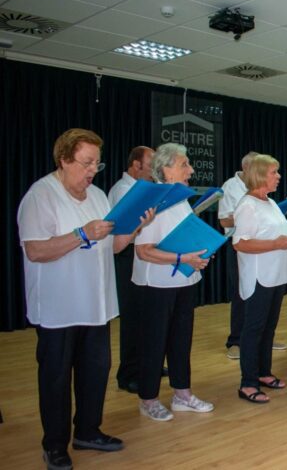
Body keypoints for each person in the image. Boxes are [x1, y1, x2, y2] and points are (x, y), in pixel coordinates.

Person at [17, 128, 154, 470]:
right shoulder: (40, 195)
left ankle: (88, 431)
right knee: (56, 378)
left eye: (97, 163)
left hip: (97, 304)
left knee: (96, 372)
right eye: (86, 162)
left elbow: (114, 247)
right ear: (64, 160)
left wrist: (135, 227)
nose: (93, 170)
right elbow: (35, 251)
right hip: (58, 308)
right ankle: (54, 445)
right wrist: (81, 234)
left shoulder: (98, 196)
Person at [133, 143, 214, 421]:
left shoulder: (180, 200)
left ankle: (182, 394)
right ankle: (148, 400)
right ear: (166, 170)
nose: (191, 170)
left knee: (181, 340)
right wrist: (183, 257)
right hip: (156, 285)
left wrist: (199, 254)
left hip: (183, 281)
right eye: (184, 165)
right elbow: (144, 251)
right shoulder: (152, 200)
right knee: (154, 344)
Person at [232, 155, 287, 403]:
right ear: (259, 175)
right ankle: (247, 383)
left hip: (276, 275)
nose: (278, 176)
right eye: (273, 172)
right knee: (254, 329)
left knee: (269, 327)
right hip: (259, 277)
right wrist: (275, 244)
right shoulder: (247, 205)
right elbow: (240, 243)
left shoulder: (270, 202)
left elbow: (278, 234)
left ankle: (263, 372)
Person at [109, 145, 155, 394]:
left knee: (145, 316)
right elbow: (123, 229)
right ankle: (128, 374)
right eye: (151, 165)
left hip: (140, 255)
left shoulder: (141, 189)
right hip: (126, 256)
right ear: (136, 165)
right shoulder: (123, 190)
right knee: (132, 317)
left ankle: (146, 366)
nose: (154, 170)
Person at [220, 152, 259, 359]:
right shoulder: (230, 186)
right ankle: (235, 341)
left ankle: (259, 337)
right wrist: (251, 217)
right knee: (240, 293)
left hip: (260, 244)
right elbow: (224, 220)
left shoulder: (259, 186)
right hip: (238, 245)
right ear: (245, 168)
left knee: (259, 292)